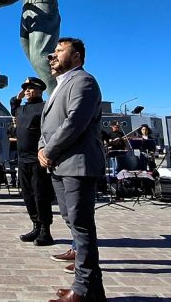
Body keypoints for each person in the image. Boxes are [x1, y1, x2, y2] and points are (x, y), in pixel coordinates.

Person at [38, 37, 107, 302]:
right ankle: (93, 289)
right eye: (52, 52)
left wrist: (49, 150)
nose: (51, 56)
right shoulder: (59, 85)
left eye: (59, 51)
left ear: (77, 56)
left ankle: (83, 290)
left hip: (77, 164)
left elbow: (74, 121)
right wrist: (42, 149)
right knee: (72, 220)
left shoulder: (83, 81)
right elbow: (49, 125)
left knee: (81, 226)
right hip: (59, 164)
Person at [10, 76, 55, 247]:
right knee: (28, 195)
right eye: (25, 88)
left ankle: (45, 230)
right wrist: (20, 95)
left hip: (38, 159)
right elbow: (13, 104)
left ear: (40, 90)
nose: (27, 91)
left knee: (40, 195)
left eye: (31, 88)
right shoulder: (21, 109)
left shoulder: (44, 107)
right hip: (22, 159)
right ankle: (35, 225)